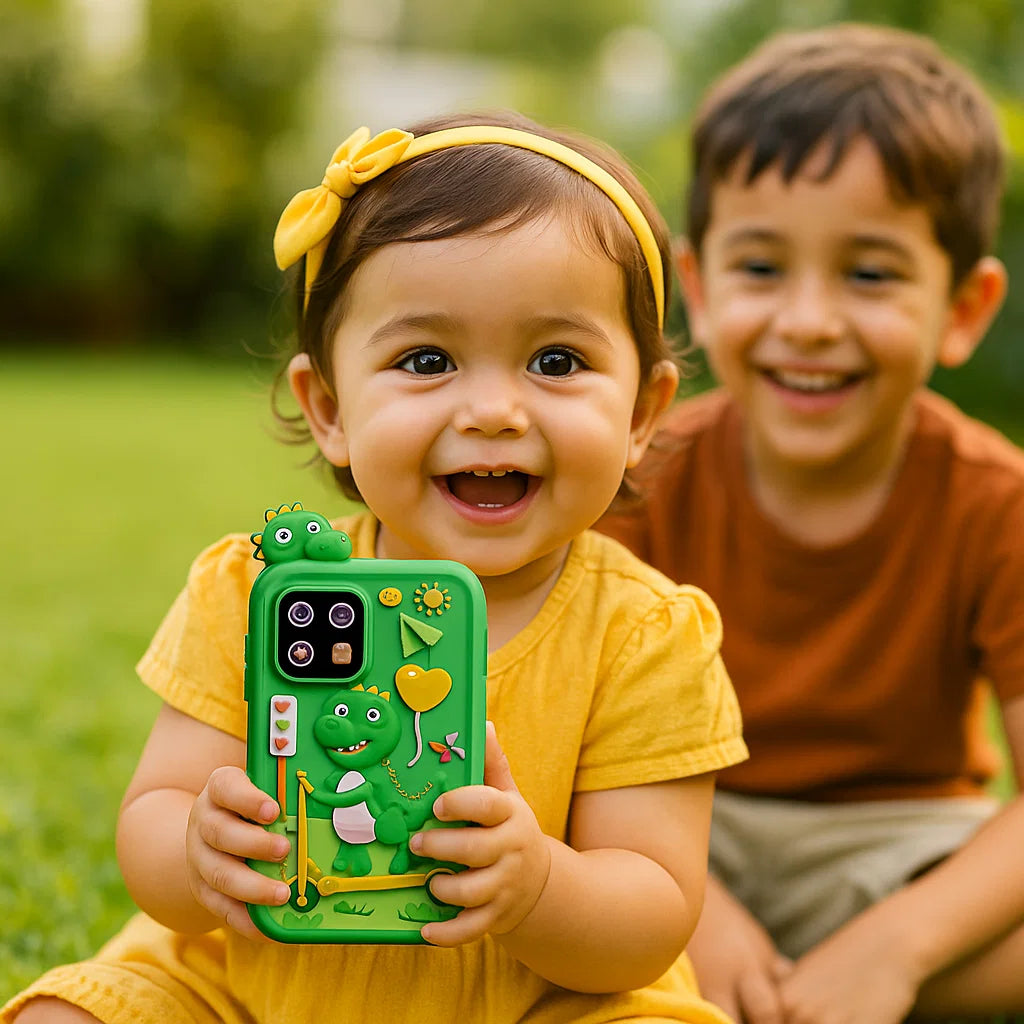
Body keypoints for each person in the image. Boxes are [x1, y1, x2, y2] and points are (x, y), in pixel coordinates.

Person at [2, 111, 748, 1024]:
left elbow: (653, 914)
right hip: (247, 986)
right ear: (329, 408)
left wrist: (539, 883)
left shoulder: (646, 635)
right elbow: (155, 816)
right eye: (426, 359)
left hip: (534, 1000)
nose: (493, 411)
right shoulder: (254, 593)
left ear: (643, 412)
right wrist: (198, 847)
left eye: (557, 360)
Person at [598, 23, 1024, 1024]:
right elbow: (564, 747)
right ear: (697, 290)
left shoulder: (993, 501)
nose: (808, 320)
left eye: (868, 275)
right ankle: (714, 970)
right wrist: (695, 913)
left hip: (899, 853)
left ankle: (821, 985)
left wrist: (899, 944)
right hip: (668, 828)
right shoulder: (634, 478)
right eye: (761, 269)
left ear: (962, 306)